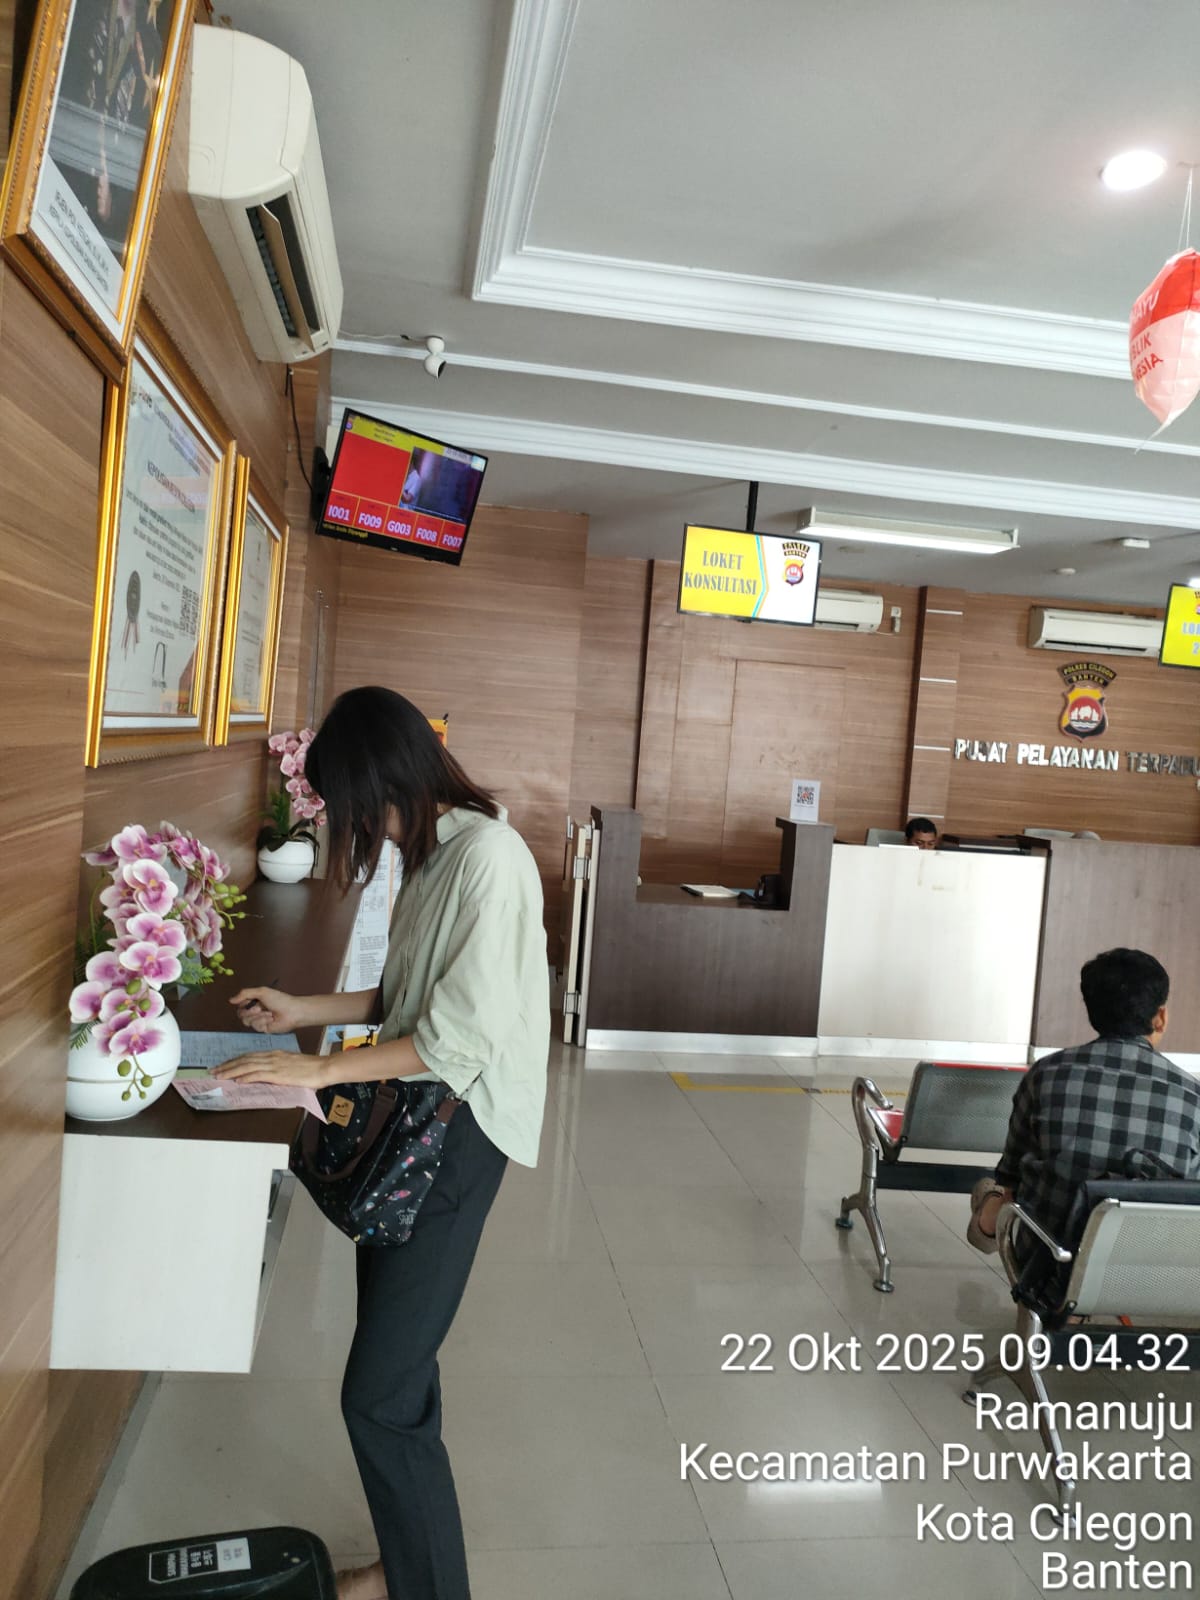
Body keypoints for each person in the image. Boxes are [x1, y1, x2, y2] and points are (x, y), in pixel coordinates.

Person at [213, 686, 550, 1600]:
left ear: (379, 780)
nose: (343, 823)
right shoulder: (433, 854)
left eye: (344, 803)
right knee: (398, 1365)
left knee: (378, 1397)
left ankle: (425, 1586)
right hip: (419, 1122)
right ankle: (407, 1568)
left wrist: (320, 1071)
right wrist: (302, 1013)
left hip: (458, 1132)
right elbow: (403, 998)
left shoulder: (488, 860)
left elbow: (455, 1042)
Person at [969, 948, 1200, 1255]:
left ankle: (988, 1226)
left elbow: (1011, 1173)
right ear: (1160, 1018)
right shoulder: (1192, 1095)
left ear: (1093, 1013)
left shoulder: (1046, 1074)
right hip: (1153, 1269)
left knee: (996, 1190)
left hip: (1050, 1262)